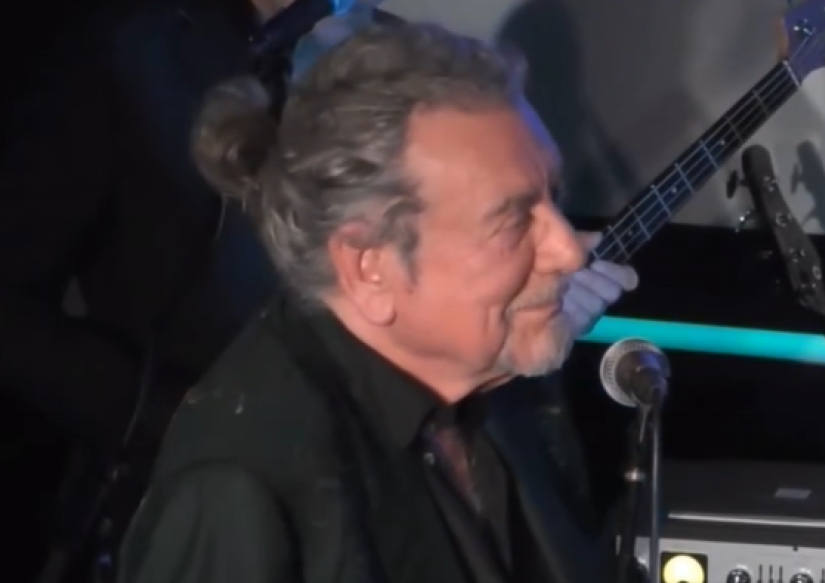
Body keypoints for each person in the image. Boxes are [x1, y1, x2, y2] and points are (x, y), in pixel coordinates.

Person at [0, 0, 632, 580]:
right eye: (514, 218)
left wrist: (512, 337)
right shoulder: (137, 49)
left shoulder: (393, 50)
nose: (568, 247)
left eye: (552, 201)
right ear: (365, 266)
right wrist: (175, 417)